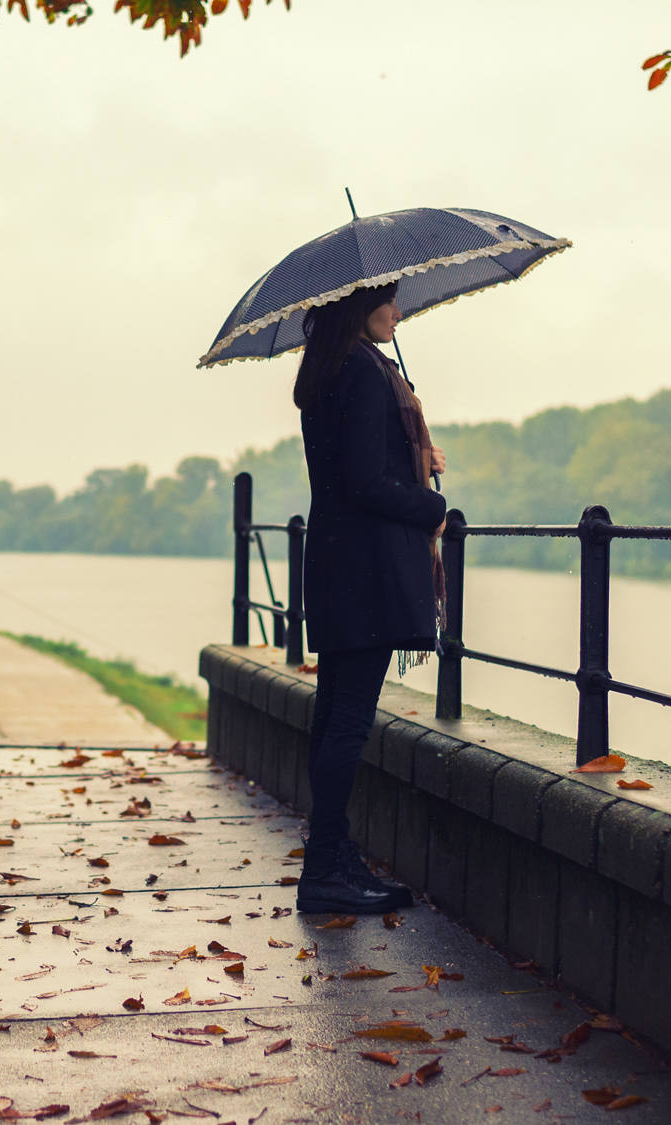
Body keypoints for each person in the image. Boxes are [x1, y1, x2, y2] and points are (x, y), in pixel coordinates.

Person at [292, 281, 447, 914]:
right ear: (360, 304)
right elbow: (364, 481)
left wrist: (417, 455)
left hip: (337, 565)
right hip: (365, 572)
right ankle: (326, 869)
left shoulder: (330, 367)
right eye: (390, 301)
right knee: (347, 722)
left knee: (334, 716)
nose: (399, 311)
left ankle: (331, 857)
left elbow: (355, 463)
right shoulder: (360, 369)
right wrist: (430, 502)